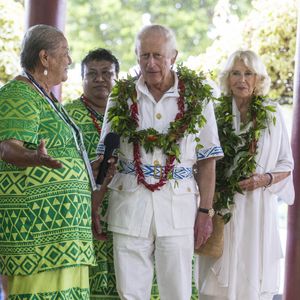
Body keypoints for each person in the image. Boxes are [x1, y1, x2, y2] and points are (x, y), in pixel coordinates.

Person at [95, 24, 223, 300]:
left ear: (173, 56)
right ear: (136, 56)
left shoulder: (198, 98)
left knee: (176, 291)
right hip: (129, 205)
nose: (150, 64)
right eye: (144, 56)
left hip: (178, 209)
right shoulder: (121, 96)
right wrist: (96, 205)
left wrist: (205, 213)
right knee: (129, 292)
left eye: (158, 56)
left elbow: (208, 161)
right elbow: (107, 156)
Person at [0, 24, 97, 299]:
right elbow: (7, 147)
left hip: (64, 231)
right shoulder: (18, 94)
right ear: (45, 58)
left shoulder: (45, 96)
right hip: (38, 232)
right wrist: (35, 157)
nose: (69, 60)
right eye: (65, 53)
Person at [197, 50, 294, 300]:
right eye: (236, 73)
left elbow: (287, 162)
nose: (242, 79)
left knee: (251, 270)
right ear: (227, 79)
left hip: (257, 206)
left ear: (258, 79)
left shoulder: (272, 113)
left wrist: (265, 179)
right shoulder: (215, 113)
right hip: (221, 206)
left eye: (248, 73)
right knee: (215, 278)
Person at [64, 48, 120, 299]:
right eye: (92, 74)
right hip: (83, 211)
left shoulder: (129, 115)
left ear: (117, 77)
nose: (100, 79)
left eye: (107, 73)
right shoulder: (67, 116)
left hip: (125, 208)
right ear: (82, 78)